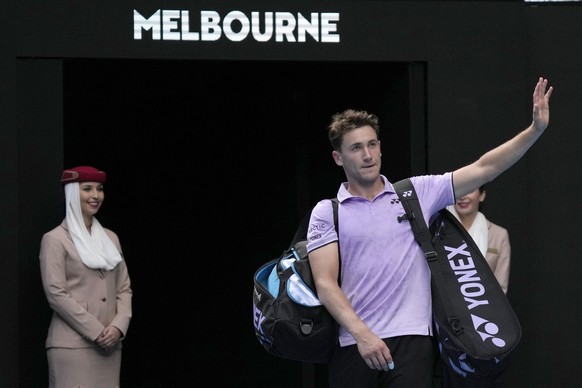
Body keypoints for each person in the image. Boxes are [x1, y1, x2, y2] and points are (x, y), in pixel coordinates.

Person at [305, 77, 552, 388]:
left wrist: (534, 131)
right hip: (353, 344)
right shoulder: (328, 211)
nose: (367, 155)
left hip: (412, 343)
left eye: (372, 144)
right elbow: (325, 283)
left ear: (380, 147)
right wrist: (362, 334)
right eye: (356, 148)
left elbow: (484, 168)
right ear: (338, 158)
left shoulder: (415, 193)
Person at [39, 165, 132, 388]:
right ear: (72, 193)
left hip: (110, 345)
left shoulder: (111, 238)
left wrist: (119, 326)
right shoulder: (55, 239)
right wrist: (96, 330)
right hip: (73, 346)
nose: (95, 196)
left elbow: (124, 288)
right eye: (87, 189)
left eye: (99, 189)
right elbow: (56, 294)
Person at [447, 186, 511, 294]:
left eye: (469, 190)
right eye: (458, 190)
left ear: (482, 195)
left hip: (486, 306)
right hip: (447, 306)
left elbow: (501, 287)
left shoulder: (499, 235)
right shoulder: (439, 232)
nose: (462, 196)